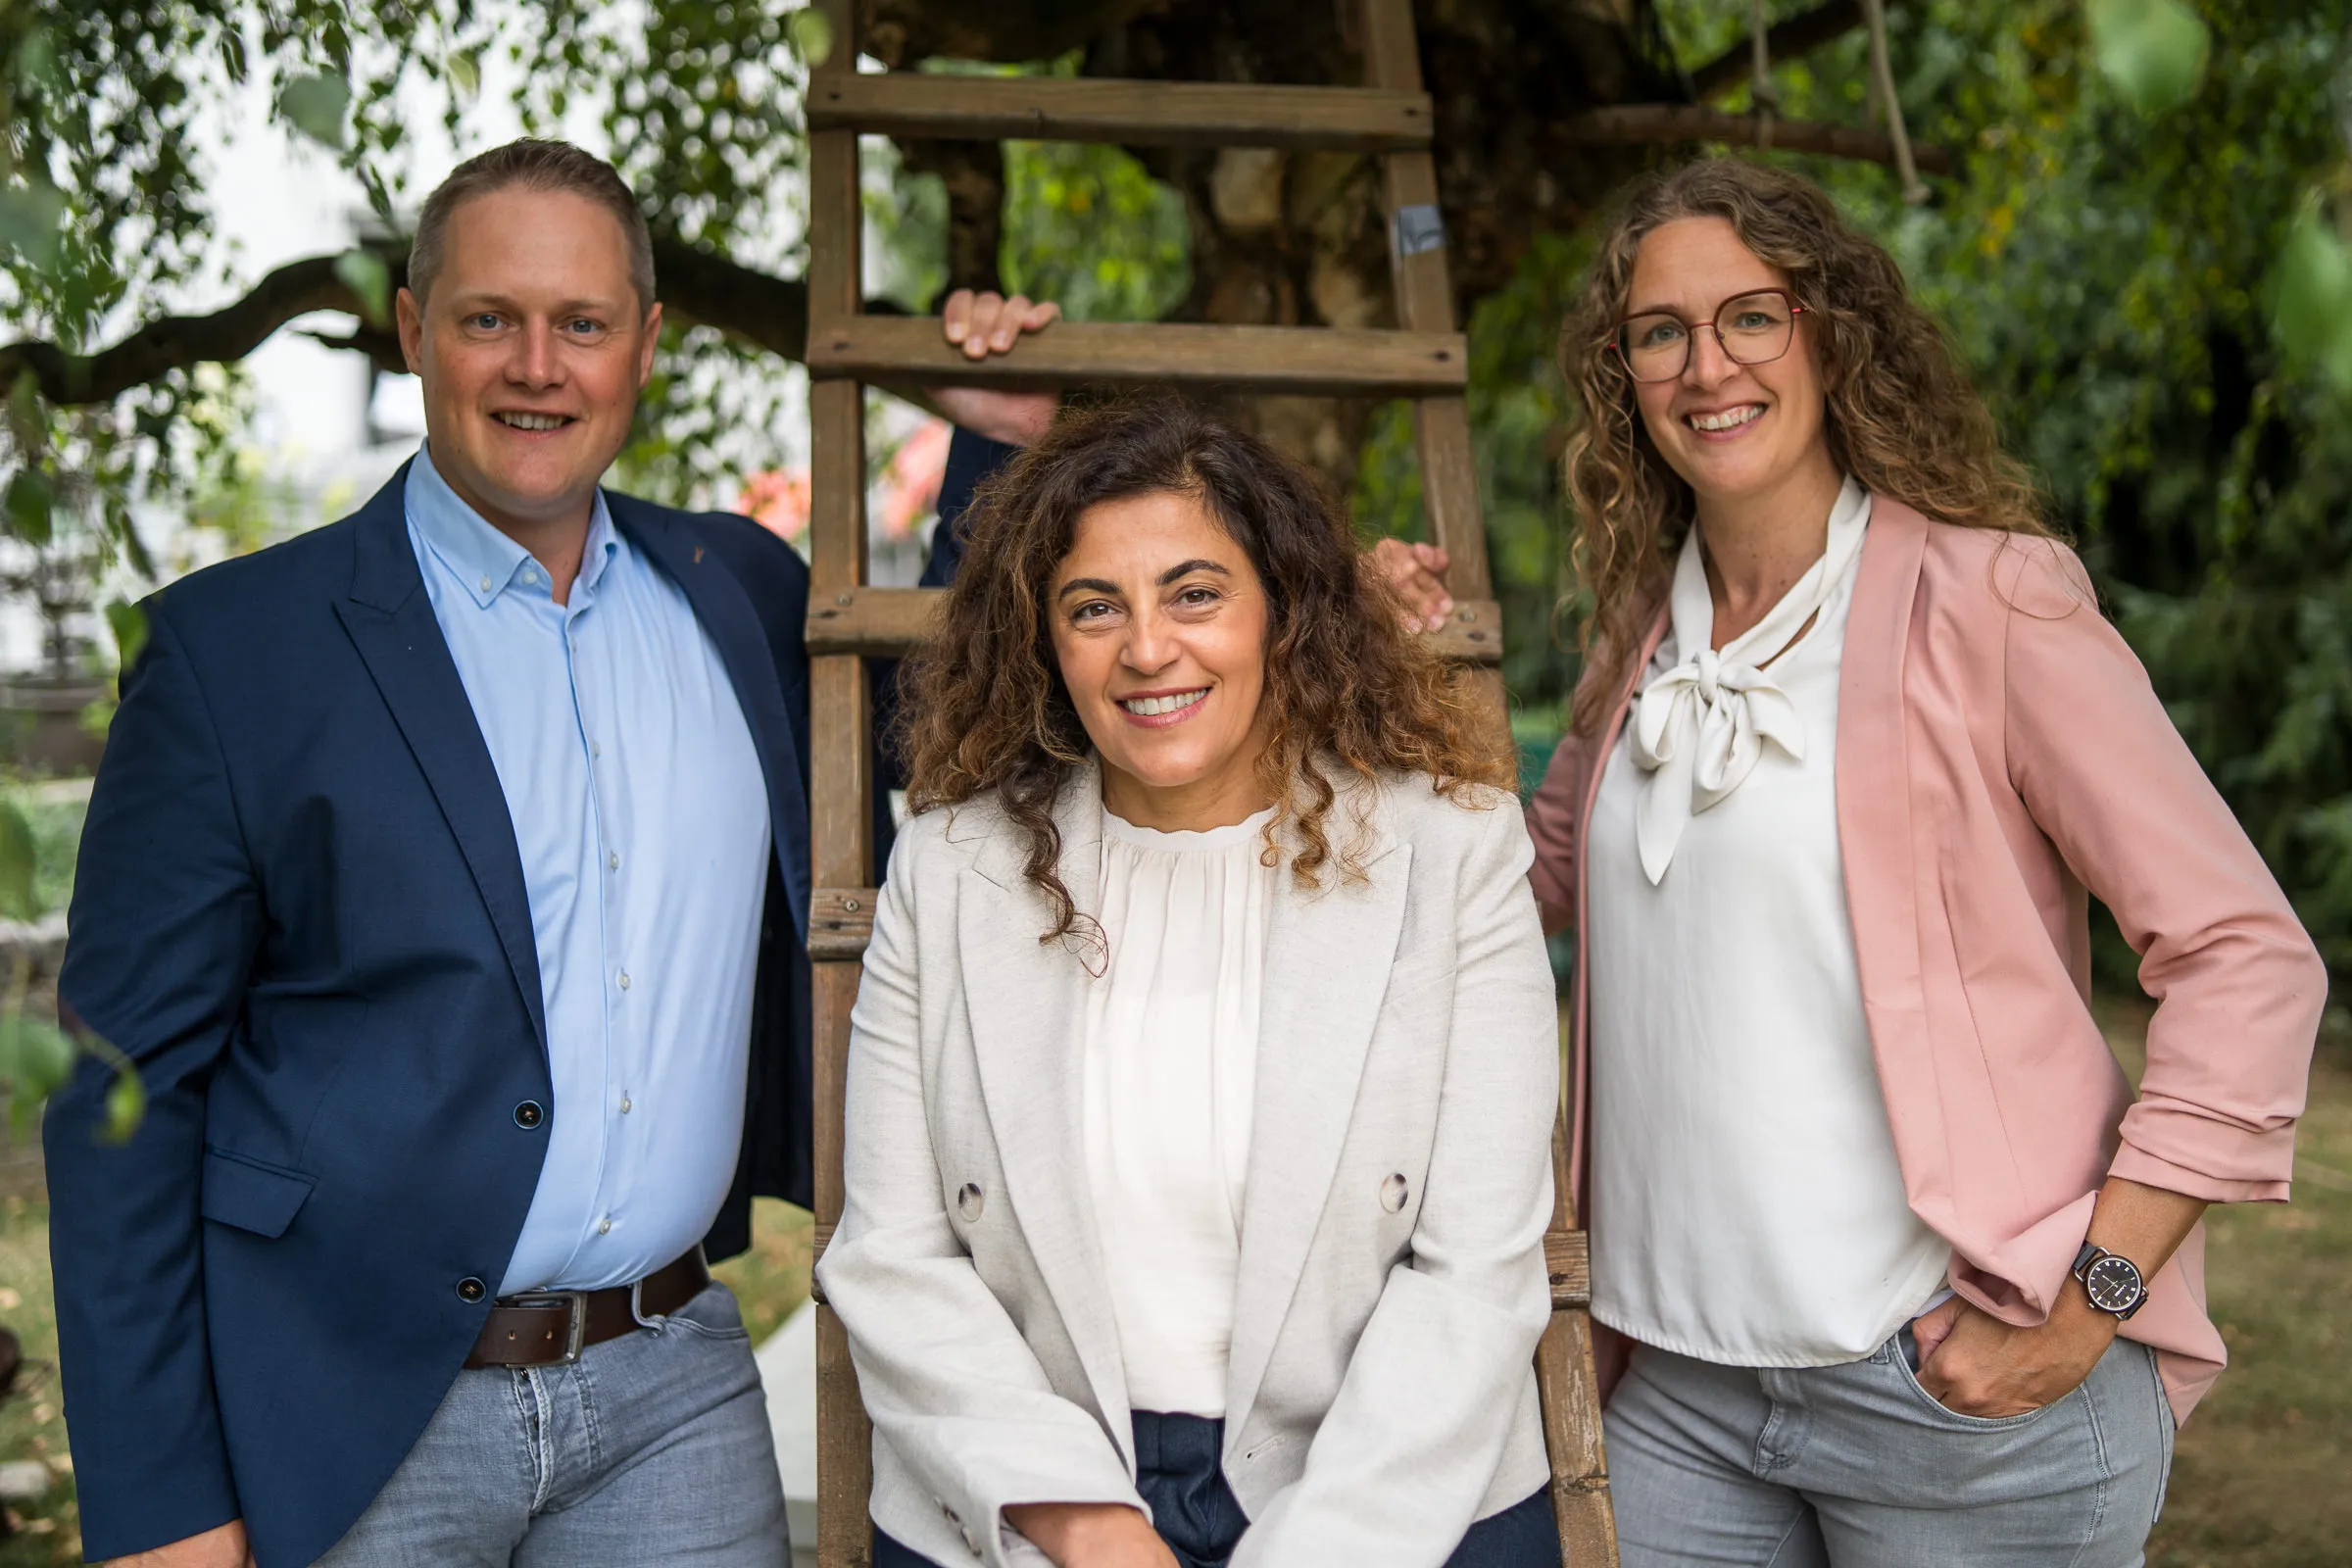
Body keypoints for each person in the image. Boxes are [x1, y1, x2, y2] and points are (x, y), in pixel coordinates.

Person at [43, 139, 1049, 1568]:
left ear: (645, 345)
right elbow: (119, 1108)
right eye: (487, 319)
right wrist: (160, 1513)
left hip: (674, 1382)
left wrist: (1000, 436)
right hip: (349, 1403)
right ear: (411, 332)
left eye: (580, 324)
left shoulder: (745, 594)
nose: (538, 366)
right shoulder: (230, 656)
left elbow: (975, 732)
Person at [1523, 157, 2326, 1565]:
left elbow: (2245, 957)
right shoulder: (1643, 636)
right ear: (1624, 376)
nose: (1706, 364)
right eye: (1660, 332)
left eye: (1752, 316)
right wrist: (1370, 653)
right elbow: (1522, 884)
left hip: (1953, 1394)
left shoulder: (1991, 600)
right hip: (1679, 1397)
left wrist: (2097, 1295)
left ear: (1830, 333)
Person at [815, 397, 1565, 1568]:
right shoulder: (950, 870)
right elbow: (894, 1257)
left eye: (1195, 593)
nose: (1148, 647)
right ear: (1044, 642)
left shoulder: (1454, 855)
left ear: (1285, 610)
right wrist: (1087, 1526)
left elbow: (1473, 1279)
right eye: (1094, 607)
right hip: (1036, 1492)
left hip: (1392, 1495)